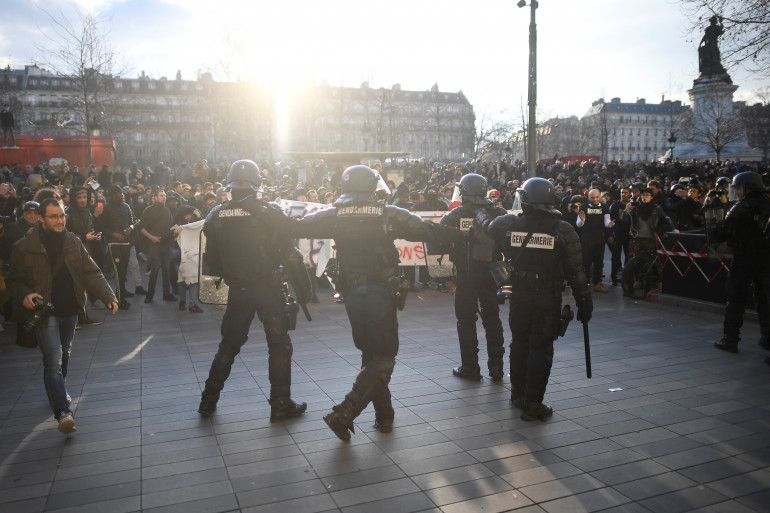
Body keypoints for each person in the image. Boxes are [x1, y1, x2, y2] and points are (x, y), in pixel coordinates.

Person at [266, 165, 463, 441]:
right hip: (380, 294)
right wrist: (464, 234)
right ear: (371, 186)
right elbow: (425, 230)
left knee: (371, 355)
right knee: (384, 357)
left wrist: (259, 212)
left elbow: (296, 225)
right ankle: (344, 412)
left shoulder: (334, 214)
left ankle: (385, 417)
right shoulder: (387, 213)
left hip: (351, 295)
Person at [198, 160, 308, 422]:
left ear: (230, 185)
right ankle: (280, 404)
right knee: (279, 346)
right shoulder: (268, 211)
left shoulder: (216, 214)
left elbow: (211, 258)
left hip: (238, 290)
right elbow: (290, 252)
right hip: (268, 289)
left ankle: (207, 401)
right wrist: (305, 290)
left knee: (228, 346)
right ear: (257, 183)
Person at [475, 178, 592, 421]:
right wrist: (584, 300)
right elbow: (576, 271)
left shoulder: (509, 223)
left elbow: (487, 225)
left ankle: (518, 395)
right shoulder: (563, 230)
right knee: (541, 348)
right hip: (547, 297)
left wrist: (479, 210)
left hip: (519, 296)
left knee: (519, 344)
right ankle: (533, 404)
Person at [6, 198, 118, 434]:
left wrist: (108, 295)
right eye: (54, 217)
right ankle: (63, 412)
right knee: (53, 360)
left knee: (64, 355)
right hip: (44, 312)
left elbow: (92, 272)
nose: (59, 221)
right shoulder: (24, 246)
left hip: (71, 309)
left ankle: (58, 390)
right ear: (41, 219)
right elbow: (13, 280)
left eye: (62, 216)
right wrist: (25, 293)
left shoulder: (73, 240)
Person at [439, 173, 507, 380]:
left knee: (466, 321)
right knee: (492, 318)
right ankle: (496, 367)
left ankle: (470, 367)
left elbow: (438, 237)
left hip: (467, 274)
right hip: (491, 274)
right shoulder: (498, 212)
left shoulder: (456, 214)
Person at [713, 172, 770, 353]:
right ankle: (766, 337)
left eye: (738, 188)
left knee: (735, 298)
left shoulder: (742, 206)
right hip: (765, 258)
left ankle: (730, 338)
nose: (736, 192)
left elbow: (723, 230)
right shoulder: (767, 203)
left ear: (747, 187)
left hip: (744, 257)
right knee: (764, 299)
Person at [139, 189, 176, 303]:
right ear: (155, 197)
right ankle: (150, 295)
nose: (164, 197)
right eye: (161, 196)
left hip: (166, 244)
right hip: (154, 245)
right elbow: (141, 228)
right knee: (154, 270)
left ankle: (167, 293)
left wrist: (174, 233)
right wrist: (152, 238)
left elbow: (170, 226)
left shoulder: (167, 210)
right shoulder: (148, 210)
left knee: (166, 269)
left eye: (164, 195)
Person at [576, 188, 614, 293]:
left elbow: (607, 221)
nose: (595, 199)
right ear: (589, 197)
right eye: (592, 197)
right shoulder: (583, 207)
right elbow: (578, 224)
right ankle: (586, 281)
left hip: (599, 239)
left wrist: (609, 225)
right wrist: (582, 219)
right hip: (586, 239)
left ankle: (597, 283)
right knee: (586, 262)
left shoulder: (605, 207)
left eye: (597, 197)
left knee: (598, 262)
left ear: (600, 196)